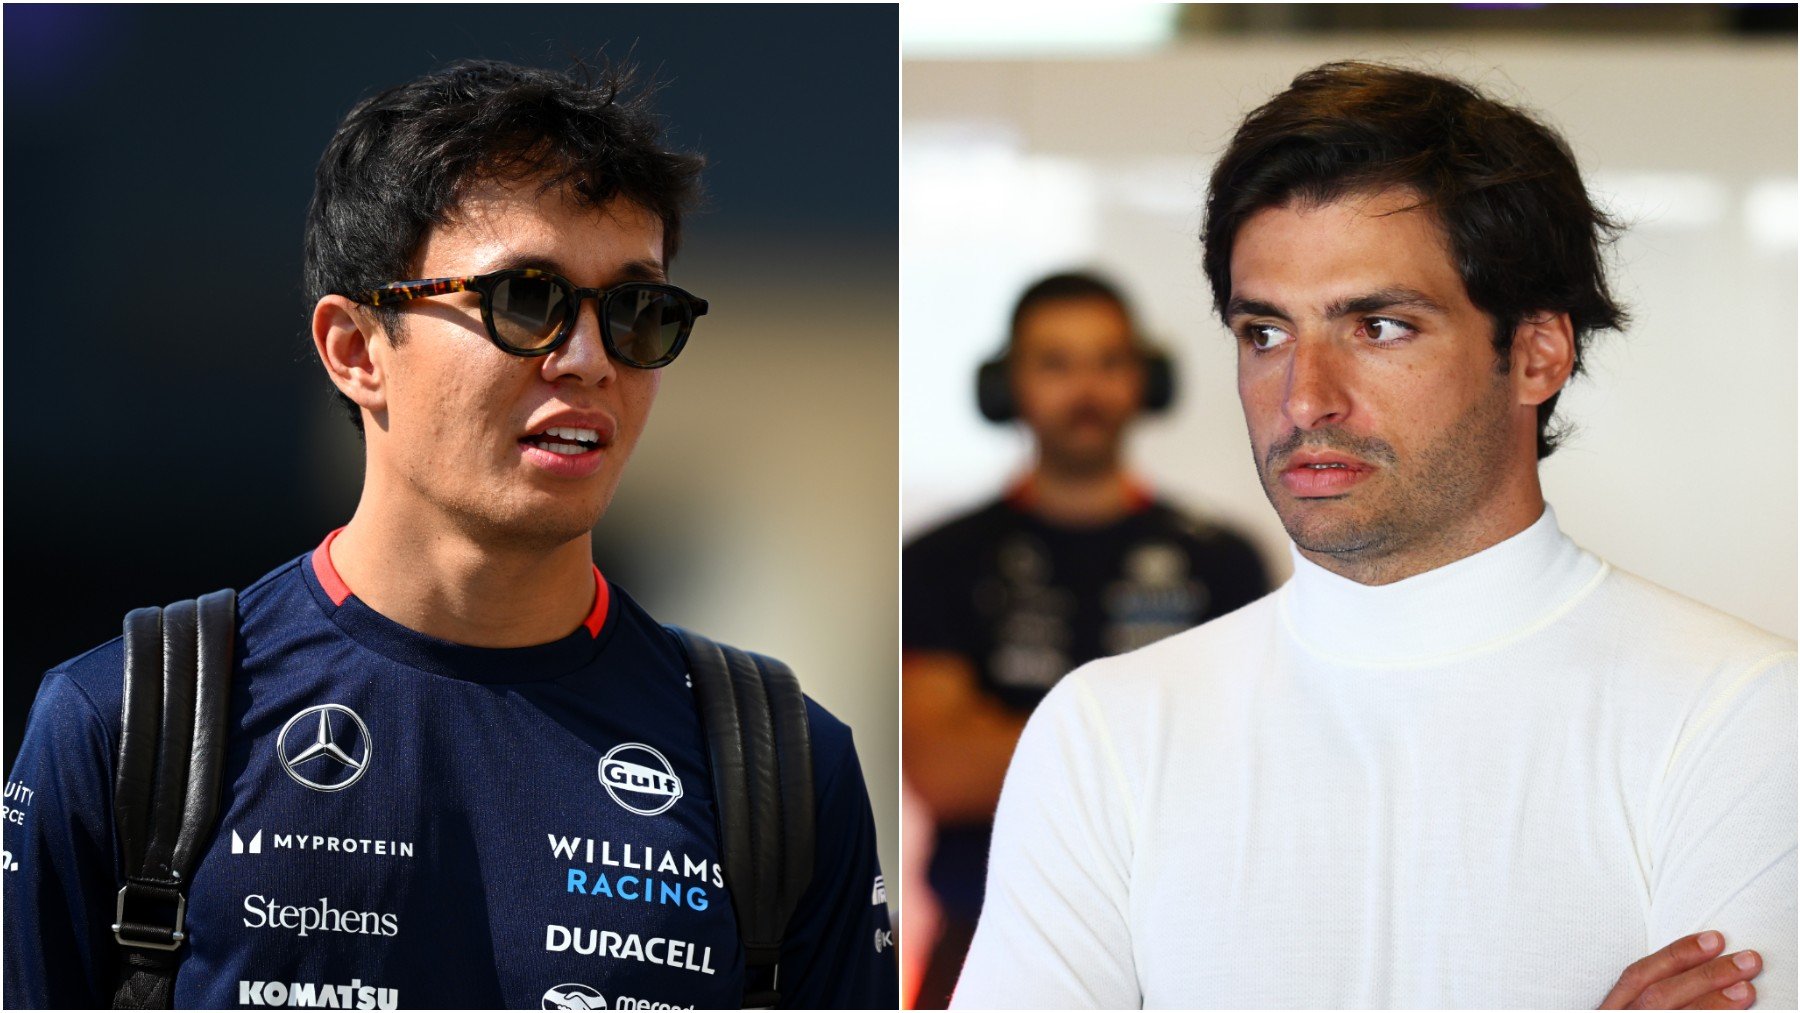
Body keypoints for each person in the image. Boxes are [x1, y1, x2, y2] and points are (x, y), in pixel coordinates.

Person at [4, 59, 896, 1010]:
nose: (590, 360)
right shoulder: (132, 722)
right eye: (527, 300)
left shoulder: (784, 764)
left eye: (638, 311)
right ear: (355, 350)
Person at [953, 62, 1796, 1009]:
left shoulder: (1741, 715)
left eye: (1380, 326)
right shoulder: (1107, 730)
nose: (1305, 397)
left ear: (1536, 353)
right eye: (1265, 333)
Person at [903, 272, 1269, 1007]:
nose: (1086, 390)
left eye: (1108, 361)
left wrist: (1012, 734)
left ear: (1145, 379)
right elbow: (947, 769)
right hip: (985, 936)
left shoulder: (1226, 559)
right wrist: (1164, 737)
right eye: (1056, 363)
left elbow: (1249, 769)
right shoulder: (940, 558)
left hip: (1186, 946)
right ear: (1007, 384)